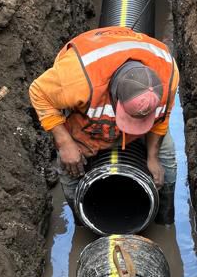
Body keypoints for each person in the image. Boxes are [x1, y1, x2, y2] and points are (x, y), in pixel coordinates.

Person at [29, 25, 179, 224]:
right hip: (87, 120)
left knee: (166, 160)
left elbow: (161, 120)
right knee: (69, 165)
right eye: (131, 119)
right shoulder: (77, 80)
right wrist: (65, 142)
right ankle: (83, 223)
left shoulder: (168, 75)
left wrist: (152, 157)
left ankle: (165, 221)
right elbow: (38, 92)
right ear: (114, 98)